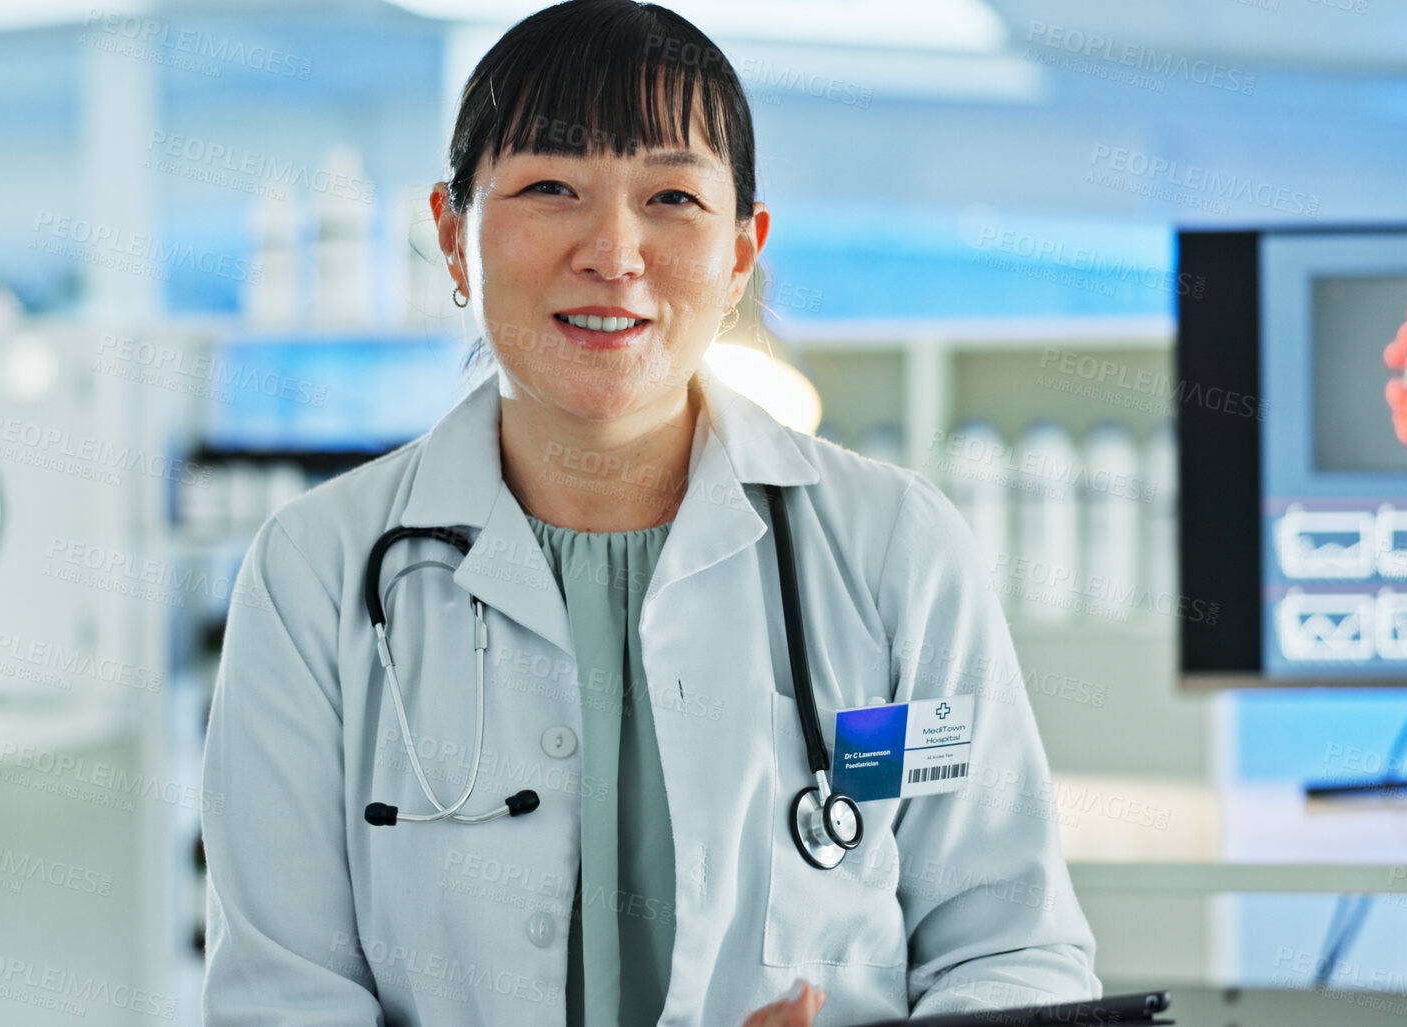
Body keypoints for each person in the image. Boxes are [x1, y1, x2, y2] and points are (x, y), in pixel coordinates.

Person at [199, 2, 1100, 1024]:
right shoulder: (316, 569)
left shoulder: (895, 548)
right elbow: (283, 998)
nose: (615, 251)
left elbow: (1012, 949)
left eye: (671, 195)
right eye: (551, 187)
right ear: (454, 237)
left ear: (741, 252)